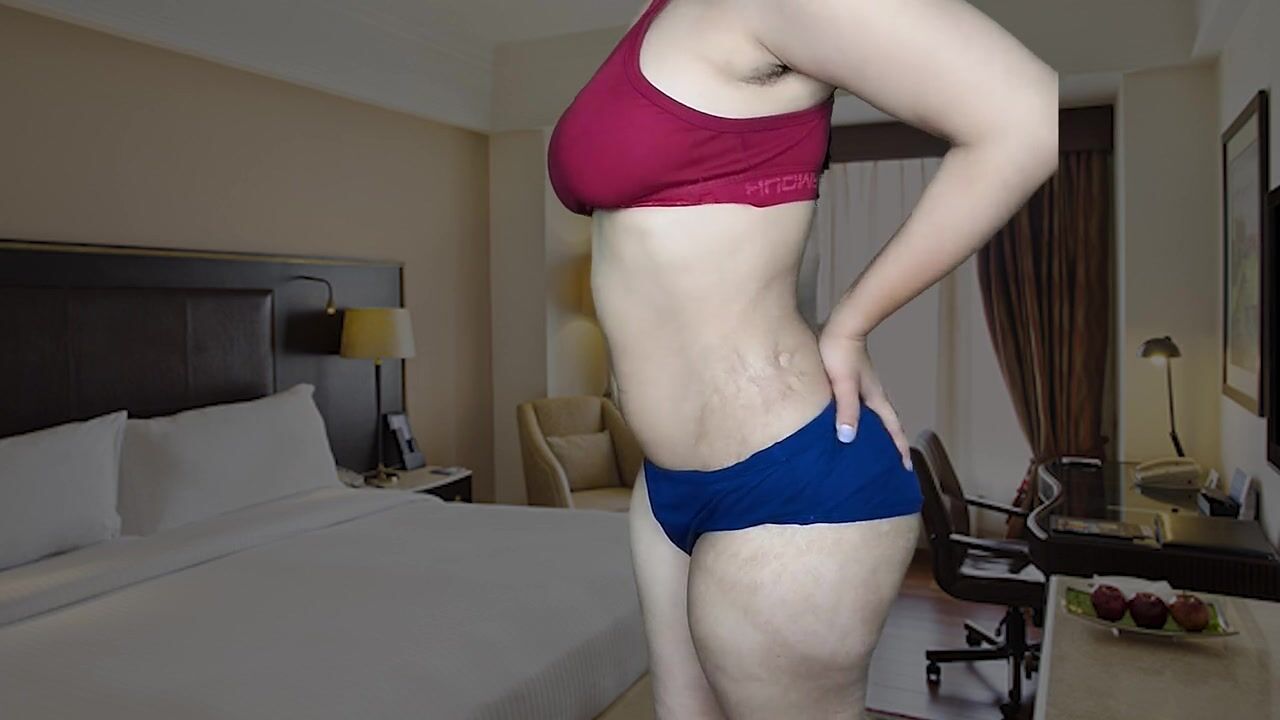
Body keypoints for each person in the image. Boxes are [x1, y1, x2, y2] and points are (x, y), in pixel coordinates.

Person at [547, 0, 1058, 717]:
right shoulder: (655, 14)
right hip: (664, 486)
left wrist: (850, 324)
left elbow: (1025, 117)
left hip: (791, 487)